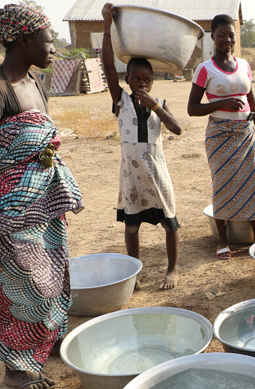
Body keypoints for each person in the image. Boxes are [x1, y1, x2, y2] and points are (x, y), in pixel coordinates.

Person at [0, 4, 83, 389]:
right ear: (24, 40)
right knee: (22, 287)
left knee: (53, 276)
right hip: (5, 211)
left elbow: (38, 144)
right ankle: (16, 367)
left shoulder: (36, 83)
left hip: (41, 204)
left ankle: (45, 339)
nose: (53, 46)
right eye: (48, 38)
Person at [101, 4, 183, 290]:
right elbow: (108, 65)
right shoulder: (121, 102)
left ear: (153, 81)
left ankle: (172, 270)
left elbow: (177, 128)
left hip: (156, 172)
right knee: (131, 226)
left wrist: (157, 106)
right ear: (128, 80)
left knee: (169, 222)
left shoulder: (158, 102)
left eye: (147, 80)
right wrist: (107, 26)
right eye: (136, 79)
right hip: (131, 175)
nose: (142, 85)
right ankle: (134, 272)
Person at [187, 14, 255, 260]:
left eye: (231, 35)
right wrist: (222, 102)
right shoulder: (204, 69)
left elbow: (252, 103)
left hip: (245, 134)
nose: (227, 39)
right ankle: (223, 240)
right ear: (212, 36)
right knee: (222, 184)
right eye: (221, 34)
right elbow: (192, 108)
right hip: (219, 134)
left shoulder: (244, 65)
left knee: (253, 183)